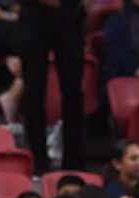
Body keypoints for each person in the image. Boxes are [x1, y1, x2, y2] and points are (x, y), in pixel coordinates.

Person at [18, 0, 85, 173]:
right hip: (34, 15)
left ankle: (74, 160)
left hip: (70, 16)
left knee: (73, 91)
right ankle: (37, 158)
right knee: (34, 89)